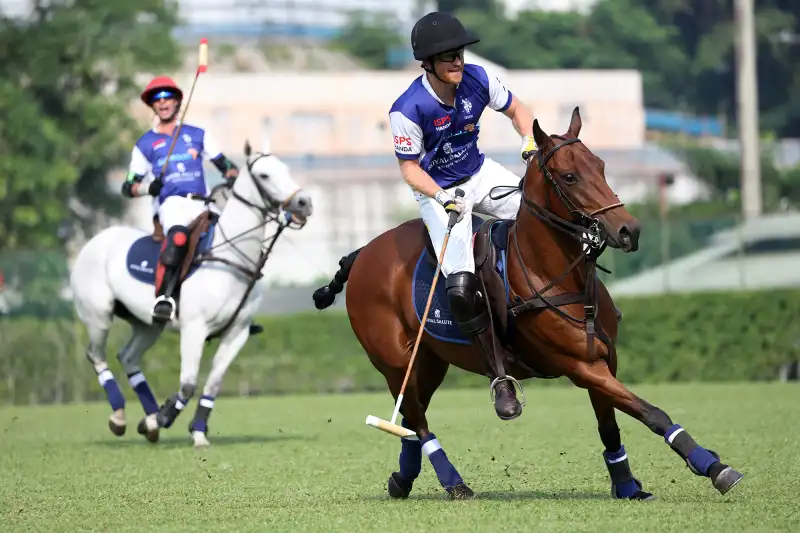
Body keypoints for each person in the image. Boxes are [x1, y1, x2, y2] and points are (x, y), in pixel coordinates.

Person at [389, 12, 536, 420]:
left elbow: (518, 109)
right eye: (449, 57)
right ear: (429, 64)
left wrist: (528, 142)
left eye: (460, 54)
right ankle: (499, 378)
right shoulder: (407, 108)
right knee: (460, 284)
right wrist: (441, 197)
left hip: (481, 172)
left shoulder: (478, 78)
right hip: (438, 191)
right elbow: (409, 169)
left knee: (539, 215)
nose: (458, 62)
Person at [122, 76, 240, 324]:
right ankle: (164, 297)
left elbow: (225, 165)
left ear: (177, 102)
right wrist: (147, 188)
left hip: (204, 204)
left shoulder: (198, 135)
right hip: (171, 205)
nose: (163, 102)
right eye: (157, 98)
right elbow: (128, 186)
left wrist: (232, 175)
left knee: (232, 235)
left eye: (168, 97)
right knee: (178, 237)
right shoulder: (145, 144)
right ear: (152, 106)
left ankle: (238, 306)